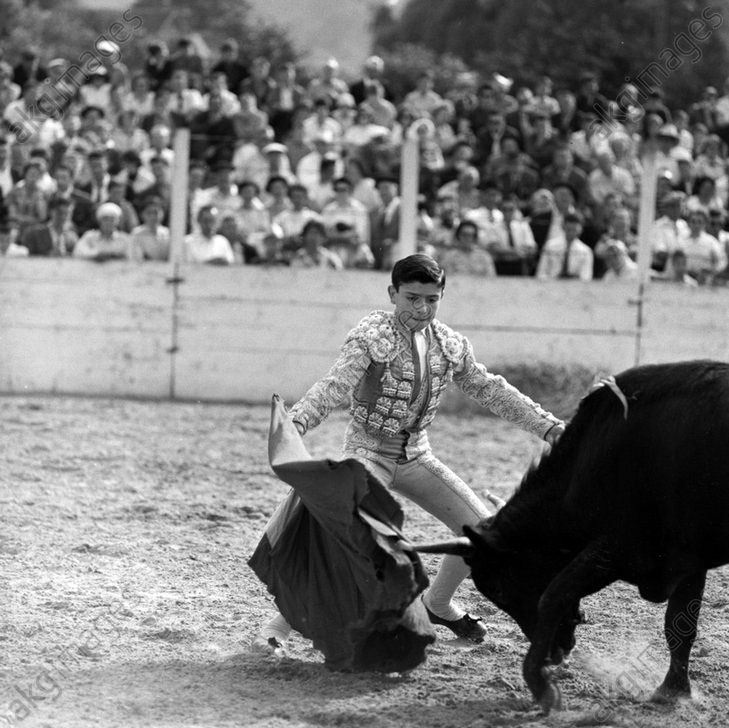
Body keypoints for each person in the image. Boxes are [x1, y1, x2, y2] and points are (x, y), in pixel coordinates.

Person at [252, 253, 564, 655]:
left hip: (417, 455)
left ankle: (438, 605)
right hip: (368, 453)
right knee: (349, 540)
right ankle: (276, 628)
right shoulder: (371, 335)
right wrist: (298, 422)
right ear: (393, 294)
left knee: (482, 533)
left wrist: (549, 426)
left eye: (432, 299)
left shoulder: (449, 343)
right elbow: (336, 384)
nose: (422, 308)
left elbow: (491, 389)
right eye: (413, 298)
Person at [536, 210, 594, 280]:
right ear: (563, 227)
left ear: (580, 229)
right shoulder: (550, 246)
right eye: (569, 229)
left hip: (575, 287)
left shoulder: (586, 251)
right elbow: (541, 273)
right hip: (551, 286)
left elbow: (586, 277)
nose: (571, 233)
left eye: (574, 230)